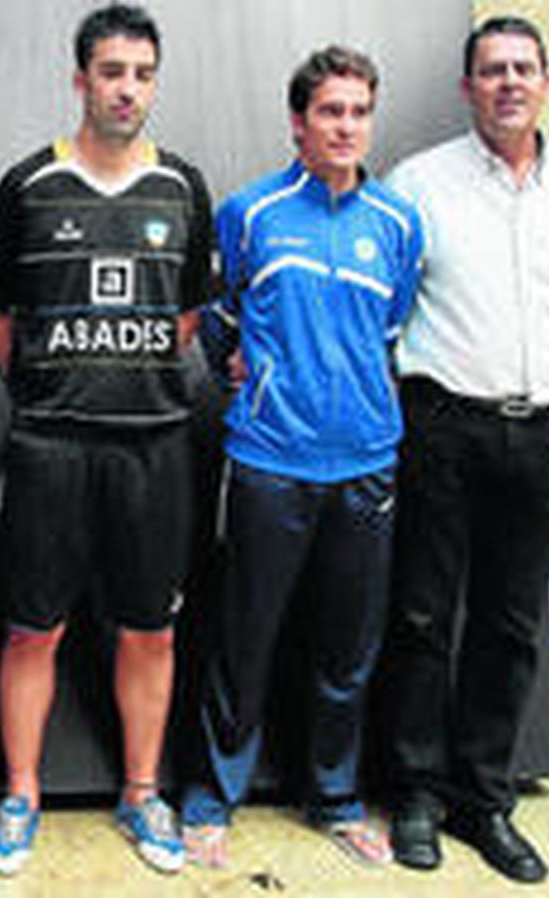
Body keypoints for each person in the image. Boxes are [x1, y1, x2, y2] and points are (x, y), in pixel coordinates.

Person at [379, 16, 549, 884]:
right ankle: (413, 791)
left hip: (545, 435)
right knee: (420, 616)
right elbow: (382, 313)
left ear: (548, 82)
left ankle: (483, 798)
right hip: (442, 425)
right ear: (467, 89)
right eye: (491, 71)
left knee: (511, 622)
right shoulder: (418, 184)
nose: (509, 83)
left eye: (524, 68)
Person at [0, 3, 214, 877]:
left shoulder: (183, 187)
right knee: (32, 629)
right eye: (111, 72)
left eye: (142, 74)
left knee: (150, 631)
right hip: (49, 447)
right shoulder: (28, 186)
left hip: (153, 447)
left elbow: (185, 320)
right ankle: (21, 795)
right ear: (80, 80)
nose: (127, 89)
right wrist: (50, 392)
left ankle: (142, 794)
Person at [178, 45, 422, 870]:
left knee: (346, 646)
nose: (345, 126)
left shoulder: (396, 223)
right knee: (245, 639)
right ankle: (213, 799)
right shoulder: (250, 213)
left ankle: (337, 798)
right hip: (269, 461)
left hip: (365, 463)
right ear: (298, 121)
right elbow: (217, 317)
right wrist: (240, 372)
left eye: (358, 111)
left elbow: (390, 334)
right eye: (330, 111)